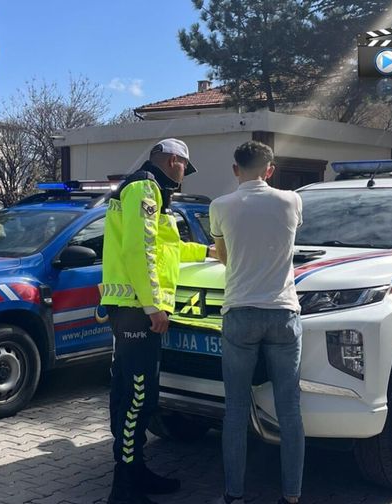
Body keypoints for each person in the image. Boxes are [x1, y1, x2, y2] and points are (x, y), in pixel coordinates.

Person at [101, 138, 214, 504]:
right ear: (171, 160)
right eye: (184, 166)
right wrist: (153, 306)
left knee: (133, 394)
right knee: (136, 397)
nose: (184, 176)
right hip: (136, 308)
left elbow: (166, 248)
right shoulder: (144, 187)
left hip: (132, 306)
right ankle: (125, 489)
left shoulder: (152, 193)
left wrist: (207, 251)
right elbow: (140, 249)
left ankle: (135, 472)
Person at [209, 141, 304, 504]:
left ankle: (234, 495)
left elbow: (224, 258)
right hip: (283, 312)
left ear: (235, 169)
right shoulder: (292, 201)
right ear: (270, 170)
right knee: (290, 409)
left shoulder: (220, 206)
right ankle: (292, 495)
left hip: (240, 312)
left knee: (234, 408)